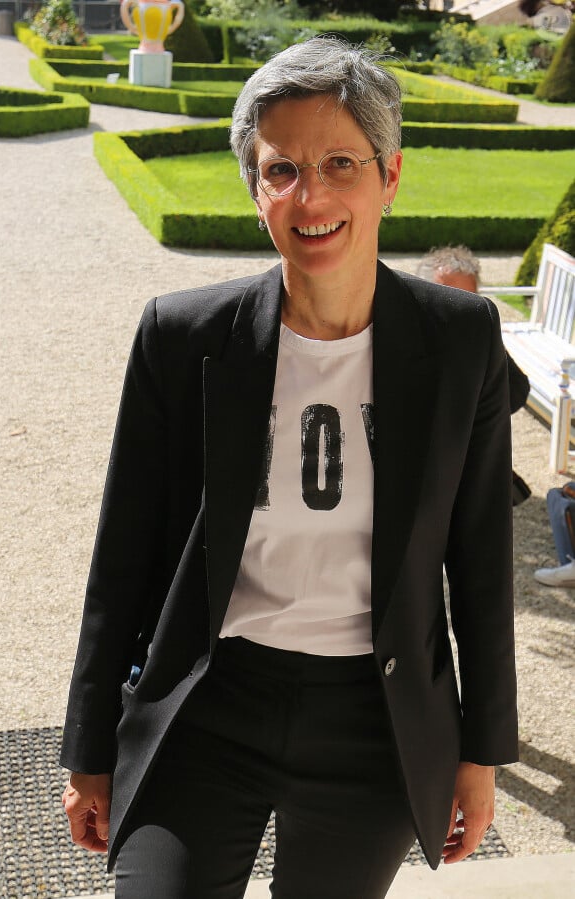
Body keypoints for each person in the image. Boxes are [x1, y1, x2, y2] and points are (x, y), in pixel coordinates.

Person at [61, 37, 519, 899]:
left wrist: (482, 749)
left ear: (389, 176)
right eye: (281, 170)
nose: (309, 197)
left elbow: (481, 559)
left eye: (340, 162)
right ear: (253, 188)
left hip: (374, 723)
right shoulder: (183, 336)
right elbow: (121, 555)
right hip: (207, 703)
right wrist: (88, 744)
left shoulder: (460, 341)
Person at [418, 246, 531, 506]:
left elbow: (517, 391)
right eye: (448, 297)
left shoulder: (478, 340)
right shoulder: (405, 341)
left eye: (468, 301)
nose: (459, 309)